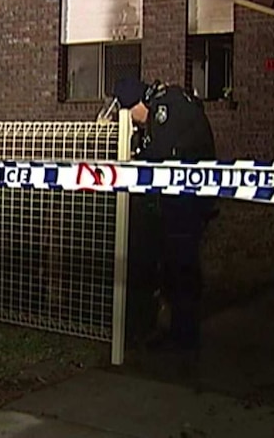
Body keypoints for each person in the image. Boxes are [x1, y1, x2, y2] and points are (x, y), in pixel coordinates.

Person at [112, 77, 217, 354]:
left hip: (186, 203)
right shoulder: (169, 101)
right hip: (188, 201)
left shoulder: (164, 109)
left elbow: (160, 156)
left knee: (180, 267)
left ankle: (184, 338)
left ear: (136, 104)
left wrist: (137, 155)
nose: (135, 123)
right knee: (177, 265)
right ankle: (179, 331)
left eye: (130, 116)